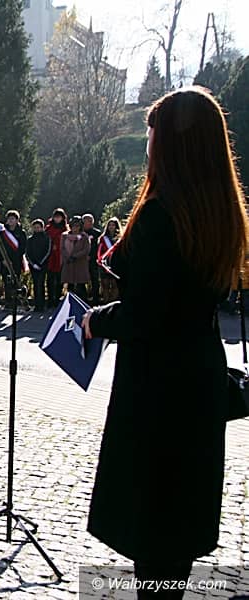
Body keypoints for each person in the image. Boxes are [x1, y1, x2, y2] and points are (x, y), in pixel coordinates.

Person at [82, 87, 249, 599]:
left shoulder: (162, 214)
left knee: (154, 536)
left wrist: (94, 321)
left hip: (158, 393)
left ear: (173, 144)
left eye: (153, 133)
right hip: (198, 379)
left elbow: (147, 314)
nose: (148, 144)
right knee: (177, 532)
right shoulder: (219, 211)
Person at [0, 210, 26, 308]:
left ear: (17, 220)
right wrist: (3, 259)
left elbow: (23, 247)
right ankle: (8, 301)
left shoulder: (21, 233)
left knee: (16, 281)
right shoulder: (2, 233)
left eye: (13, 219)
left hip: (16, 261)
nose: (10, 220)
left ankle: (16, 301)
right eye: (9, 218)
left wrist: (16, 258)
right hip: (5, 261)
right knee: (6, 282)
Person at [61, 215, 90, 299]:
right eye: (73, 226)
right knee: (70, 286)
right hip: (69, 263)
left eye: (77, 226)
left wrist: (75, 256)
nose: (75, 228)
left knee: (81, 286)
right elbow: (62, 248)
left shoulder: (84, 237)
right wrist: (67, 257)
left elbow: (86, 249)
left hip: (80, 263)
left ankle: (83, 302)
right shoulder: (65, 236)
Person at [25, 219, 51, 311]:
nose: (37, 229)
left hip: (43, 265)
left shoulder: (47, 238)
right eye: (35, 227)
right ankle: (36, 304)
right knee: (35, 284)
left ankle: (42, 304)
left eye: (38, 227)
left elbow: (48, 252)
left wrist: (40, 263)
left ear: (42, 228)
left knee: (41, 284)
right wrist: (33, 264)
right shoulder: (30, 239)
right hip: (33, 266)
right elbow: (27, 253)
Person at [45, 208, 67, 308]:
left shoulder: (65, 229)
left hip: (60, 256)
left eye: (59, 217)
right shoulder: (48, 229)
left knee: (59, 280)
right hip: (50, 256)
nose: (57, 219)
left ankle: (57, 298)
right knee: (50, 279)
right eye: (56, 217)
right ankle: (50, 300)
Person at [97, 218, 121, 303]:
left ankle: (113, 303)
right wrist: (100, 260)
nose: (111, 227)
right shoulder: (103, 238)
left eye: (113, 225)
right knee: (105, 285)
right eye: (109, 225)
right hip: (105, 265)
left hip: (116, 264)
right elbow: (99, 251)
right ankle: (106, 303)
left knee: (115, 285)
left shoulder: (120, 238)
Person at [83, 214, 101, 304]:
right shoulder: (80, 233)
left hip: (94, 261)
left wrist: (93, 256)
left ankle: (96, 299)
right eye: (87, 221)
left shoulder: (97, 233)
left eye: (90, 221)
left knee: (95, 280)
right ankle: (83, 299)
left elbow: (98, 247)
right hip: (82, 261)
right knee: (81, 281)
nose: (89, 223)